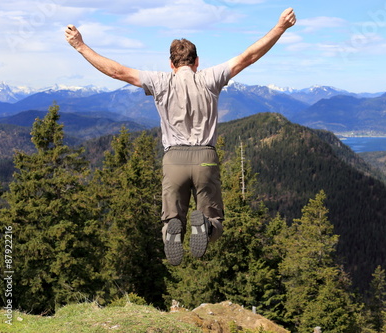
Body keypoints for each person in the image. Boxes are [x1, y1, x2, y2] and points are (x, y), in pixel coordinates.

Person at [65, 8, 297, 266]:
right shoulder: (210, 78)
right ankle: (206, 228)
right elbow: (248, 57)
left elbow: (117, 71)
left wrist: (80, 46)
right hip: (205, 158)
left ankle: (173, 229)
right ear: (197, 62)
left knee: (171, 219)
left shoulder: (160, 81)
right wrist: (280, 27)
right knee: (214, 220)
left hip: (173, 159)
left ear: (171, 64)